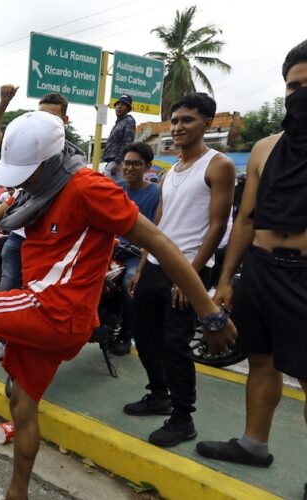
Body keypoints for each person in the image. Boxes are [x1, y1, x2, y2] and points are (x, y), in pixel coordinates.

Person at [0, 111, 236, 500]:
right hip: (44, 309)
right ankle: (18, 492)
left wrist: (210, 312)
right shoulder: (37, 186)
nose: (18, 177)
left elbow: (160, 242)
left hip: (53, 309)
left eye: (25, 169)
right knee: (21, 401)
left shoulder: (89, 188)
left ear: (50, 160)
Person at [196, 41, 307, 479]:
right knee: (260, 358)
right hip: (261, 267)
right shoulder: (263, 148)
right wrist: (226, 278)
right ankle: (253, 444)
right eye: (294, 86)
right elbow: (244, 219)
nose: (301, 94)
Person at [125, 93, 235, 447]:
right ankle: (159, 394)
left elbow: (217, 226)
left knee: (176, 346)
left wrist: (190, 276)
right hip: (155, 267)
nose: (177, 128)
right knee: (144, 336)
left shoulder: (219, 165)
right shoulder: (171, 170)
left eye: (186, 120)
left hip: (188, 270)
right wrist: (142, 266)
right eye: (174, 121)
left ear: (207, 122)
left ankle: (182, 417)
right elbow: (158, 225)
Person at [0, 88, 73, 363]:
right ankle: (4, 342)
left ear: (64, 121)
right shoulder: (25, 149)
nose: (44, 125)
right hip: (19, 237)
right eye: (40, 116)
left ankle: (36, 349)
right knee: (8, 290)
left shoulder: (74, 167)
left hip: (50, 243)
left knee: (42, 298)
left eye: (52, 119)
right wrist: (3, 103)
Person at [107, 143, 160, 356]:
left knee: (130, 282)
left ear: (148, 166)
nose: (129, 168)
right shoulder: (115, 189)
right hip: (110, 249)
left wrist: (141, 265)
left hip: (136, 255)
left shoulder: (157, 194)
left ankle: (126, 335)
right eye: (126, 163)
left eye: (136, 164)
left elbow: (155, 234)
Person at [102, 94, 137, 182]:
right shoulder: (119, 123)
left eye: (123, 105)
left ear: (128, 109)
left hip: (117, 164)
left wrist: (118, 163)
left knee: (109, 191)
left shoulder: (129, 121)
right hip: (112, 163)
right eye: (118, 104)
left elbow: (128, 144)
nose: (119, 107)